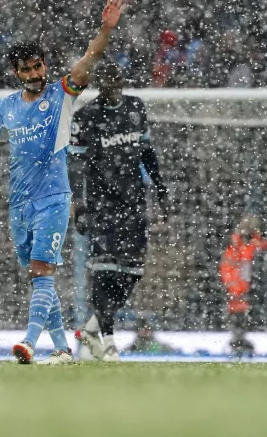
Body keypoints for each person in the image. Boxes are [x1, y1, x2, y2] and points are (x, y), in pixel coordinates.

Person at [0, 0, 127, 365]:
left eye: (36, 66)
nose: (33, 74)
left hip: (54, 198)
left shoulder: (61, 94)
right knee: (38, 277)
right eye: (25, 69)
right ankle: (62, 350)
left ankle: (28, 342)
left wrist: (105, 30)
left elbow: (89, 60)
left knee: (43, 270)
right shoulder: (8, 106)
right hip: (20, 202)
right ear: (16, 73)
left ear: (44, 65)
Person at [69, 61, 168, 362]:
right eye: (106, 80)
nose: (113, 84)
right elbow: (75, 165)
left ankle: (91, 328)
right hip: (102, 205)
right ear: (98, 84)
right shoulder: (85, 117)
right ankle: (109, 341)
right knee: (105, 273)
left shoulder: (135, 108)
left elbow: (147, 152)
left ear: (123, 81)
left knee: (133, 272)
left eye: (117, 79)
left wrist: (161, 188)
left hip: (134, 201)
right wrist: (79, 205)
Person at [219, 214, 267, 358]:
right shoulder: (236, 248)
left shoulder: (247, 246)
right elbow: (228, 269)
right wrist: (235, 289)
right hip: (242, 290)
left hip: (247, 288)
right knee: (239, 316)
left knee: (241, 316)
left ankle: (239, 341)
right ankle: (238, 341)